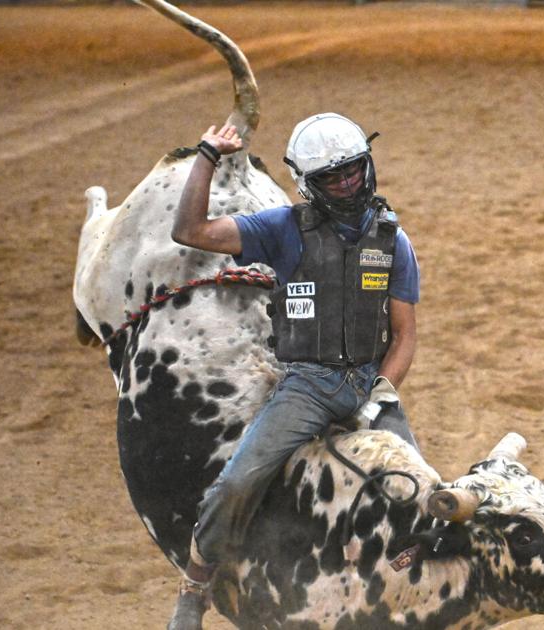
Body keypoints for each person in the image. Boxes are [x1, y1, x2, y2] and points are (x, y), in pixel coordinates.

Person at [167, 113, 421, 629]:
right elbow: (190, 230)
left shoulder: (393, 241)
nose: (346, 183)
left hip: (369, 384)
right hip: (306, 385)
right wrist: (208, 155)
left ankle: (403, 586)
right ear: (309, 183)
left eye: (353, 170)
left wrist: (382, 392)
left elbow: (404, 335)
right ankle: (194, 587)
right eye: (332, 176)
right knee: (237, 484)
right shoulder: (282, 229)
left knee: (417, 494)